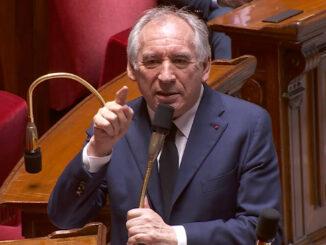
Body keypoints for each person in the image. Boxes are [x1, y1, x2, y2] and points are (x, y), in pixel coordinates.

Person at [48, 6, 282, 245]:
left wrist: (176, 237)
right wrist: (97, 151)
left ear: (205, 66)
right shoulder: (116, 127)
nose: (166, 76)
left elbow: (262, 232)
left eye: (180, 61)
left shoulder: (247, 125)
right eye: (152, 61)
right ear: (131, 68)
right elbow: (65, 218)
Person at [157, 0, 252, 59]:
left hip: (247, 6)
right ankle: (226, 83)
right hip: (193, 12)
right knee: (225, 21)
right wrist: (218, 1)